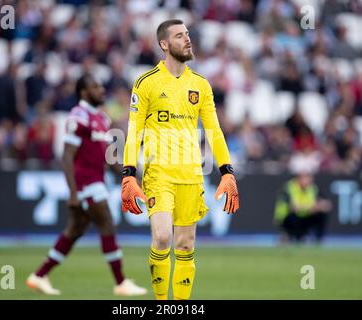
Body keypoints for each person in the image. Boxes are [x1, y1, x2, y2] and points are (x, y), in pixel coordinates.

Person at [121, 19, 240, 300]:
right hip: (158, 173)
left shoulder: (200, 84)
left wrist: (227, 172)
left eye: (187, 34)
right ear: (164, 44)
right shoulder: (146, 83)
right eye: (179, 36)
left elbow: (214, 131)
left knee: (185, 245)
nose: (187, 39)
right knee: (162, 237)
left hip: (191, 174)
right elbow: (133, 132)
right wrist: (128, 173)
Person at [27, 74, 147, 296]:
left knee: (74, 231)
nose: (102, 89)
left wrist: (130, 177)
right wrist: (73, 193)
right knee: (107, 224)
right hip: (86, 182)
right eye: (95, 87)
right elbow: (67, 156)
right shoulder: (78, 117)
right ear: (84, 93)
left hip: (96, 179)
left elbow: (108, 159)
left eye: (101, 85)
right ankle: (120, 282)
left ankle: (39, 275)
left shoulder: (101, 118)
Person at [274, 172, 332, 244]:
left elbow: (326, 204)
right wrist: (312, 206)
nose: (310, 182)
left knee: (322, 214)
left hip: (305, 217)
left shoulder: (313, 188)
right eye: (307, 179)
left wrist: (317, 207)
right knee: (293, 217)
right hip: (287, 220)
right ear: (300, 179)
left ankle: (318, 239)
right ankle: (288, 235)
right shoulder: (288, 187)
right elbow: (294, 207)